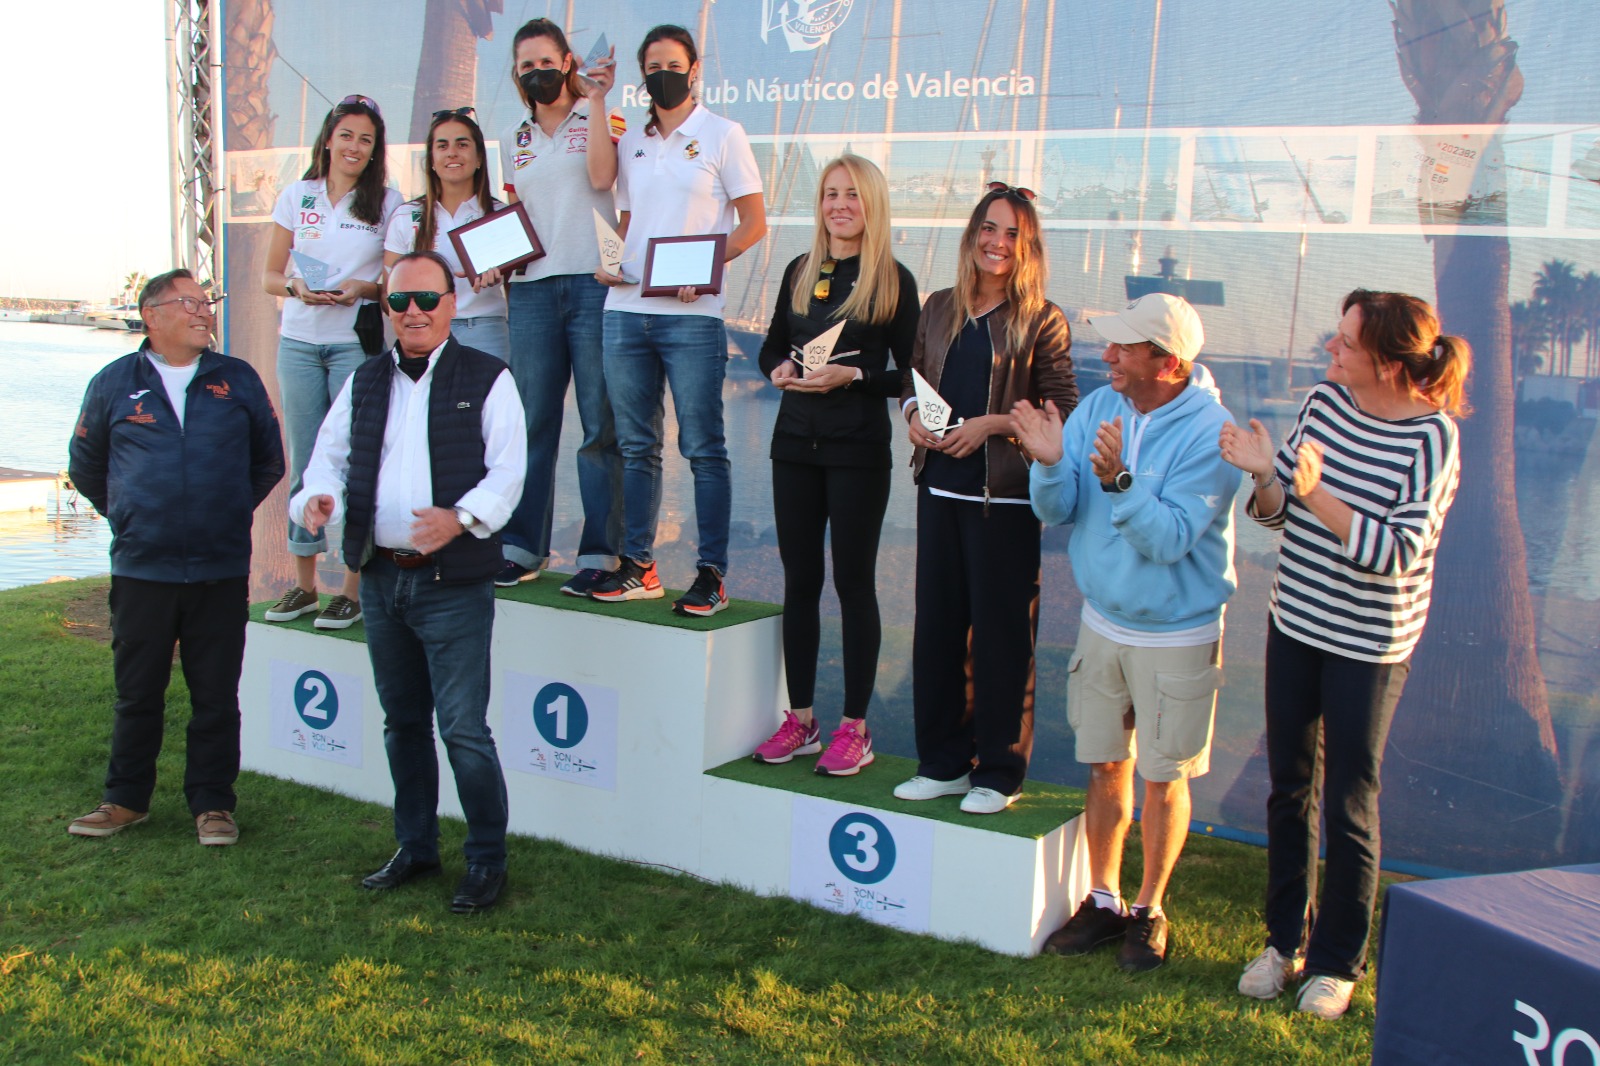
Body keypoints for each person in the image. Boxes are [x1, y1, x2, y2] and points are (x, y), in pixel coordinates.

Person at [1219, 289, 1469, 1019]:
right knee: (1288, 787)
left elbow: (1392, 552)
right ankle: (1281, 944)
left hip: (1370, 644)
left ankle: (1336, 962)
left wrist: (1313, 489)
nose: (1331, 350)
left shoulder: (1434, 439)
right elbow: (1277, 515)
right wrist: (1264, 475)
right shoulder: (1326, 403)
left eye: (1346, 343)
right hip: (1296, 621)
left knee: (1350, 801)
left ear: (1389, 363)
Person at [290, 250, 527, 914]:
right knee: (402, 724)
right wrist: (315, 500)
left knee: (462, 730)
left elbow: (509, 472)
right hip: (379, 579)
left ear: (452, 305)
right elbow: (326, 460)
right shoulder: (365, 380)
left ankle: (486, 860)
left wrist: (460, 518)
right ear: (386, 311)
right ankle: (416, 846)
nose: (413, 312)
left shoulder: (490, 377)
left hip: (454, 582)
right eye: (399, 302)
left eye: (427, 299)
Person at [1015, 293, 1240, 972]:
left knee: (1163, 776)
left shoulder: (1214, 433)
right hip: (1102, 624)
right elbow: (1056, 511)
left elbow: (1170, 540)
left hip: (1178, 632)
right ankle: (1105, 900)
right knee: (1107, 765)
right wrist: (1053, 462)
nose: (1106, 355)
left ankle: (1150, 910)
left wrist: (1118, 481)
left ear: (1166, 363)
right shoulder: (1100, 407)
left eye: (1124, 347)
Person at [66, 270, 285, 846]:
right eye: (189, 302)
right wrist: (130, 517)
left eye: (206, 302)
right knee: (137, 693)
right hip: (143, 569)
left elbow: (268, 460)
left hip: (219, 567)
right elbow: (87, 465)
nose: (204, 311)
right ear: (152, 315)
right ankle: (125, 800)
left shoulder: (236, 379)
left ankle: (213, 805)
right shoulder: (114, 383)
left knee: (215, 695)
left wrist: (229, 511)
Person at [892, 183, 1077, 814]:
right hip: (939, 491)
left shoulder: (1043, 320)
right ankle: (942, 762)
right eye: (988, 230)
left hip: (1007, 503)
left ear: (1026, 248)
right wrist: (914, 414)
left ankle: (998, 773)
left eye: (1012, 234)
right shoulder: (940, 305)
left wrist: (992, 425)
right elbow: (912, 375)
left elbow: (1061, 412)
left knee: (1000, 639)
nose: (997, 243)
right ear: (972, 236)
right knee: (939, 633)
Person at [750, 154, 919, 775]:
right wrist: (778, 369)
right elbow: (771, 342)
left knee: (853, 585)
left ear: (871, 203)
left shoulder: (893, 280)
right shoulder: (800, 269)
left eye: (851, 194)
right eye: (829, 194)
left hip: (857, 454)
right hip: (793, 445)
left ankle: (856, 728)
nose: (839, 205)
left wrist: (855, 375)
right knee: (799, 583)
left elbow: (910, 376)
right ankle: (801, 721)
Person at [590, 23, 767, 616]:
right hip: (625, 312)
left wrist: (711, 265)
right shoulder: (631, 142)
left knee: (703, 447)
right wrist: (611, 262)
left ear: (694, 70)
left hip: (692, 317)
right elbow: (626, 219)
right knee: (637, 447)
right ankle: (638, 565)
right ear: (643, 76)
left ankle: (711, 573)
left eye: (673, 63)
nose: (662, 74)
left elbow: (753, 223)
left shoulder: (722, 134)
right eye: (652, 66)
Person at [262, 94, 403, 630]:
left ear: (374, 151)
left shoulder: (389, 204)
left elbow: (391, 281)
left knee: (352, 463)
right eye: (346, 135)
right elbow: (269, 276)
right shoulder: (297, 196)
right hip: (298, 343)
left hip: (355, 344)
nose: (354, 146)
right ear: (328, 139)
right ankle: (302, 587)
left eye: (365, 140)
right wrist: (296, 287)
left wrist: (359, 289)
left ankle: (351, 587)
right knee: (305, 462)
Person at [497, 18, 627, 595]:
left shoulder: (605, 117)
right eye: (526, 66)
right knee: (531, 424)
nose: (537, 73)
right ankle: (522, 547)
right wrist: (498, 256)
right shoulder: (512, 138)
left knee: (599, 423)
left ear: (568, 62)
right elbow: (514, 215)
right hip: (530, 289)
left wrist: (596, 103)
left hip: (594, 284)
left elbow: (610, 184)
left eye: (546, 61)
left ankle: (602, 553)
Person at [384, 107, 509, 360]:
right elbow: (388, 290)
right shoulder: (405, 215)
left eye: (462, 144)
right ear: (431, 159)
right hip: (424, 329)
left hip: (486, 329)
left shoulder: (501, 215)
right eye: (442, 146)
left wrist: (499, 274)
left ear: (479, 158)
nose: (452, 152)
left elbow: (521, 289)